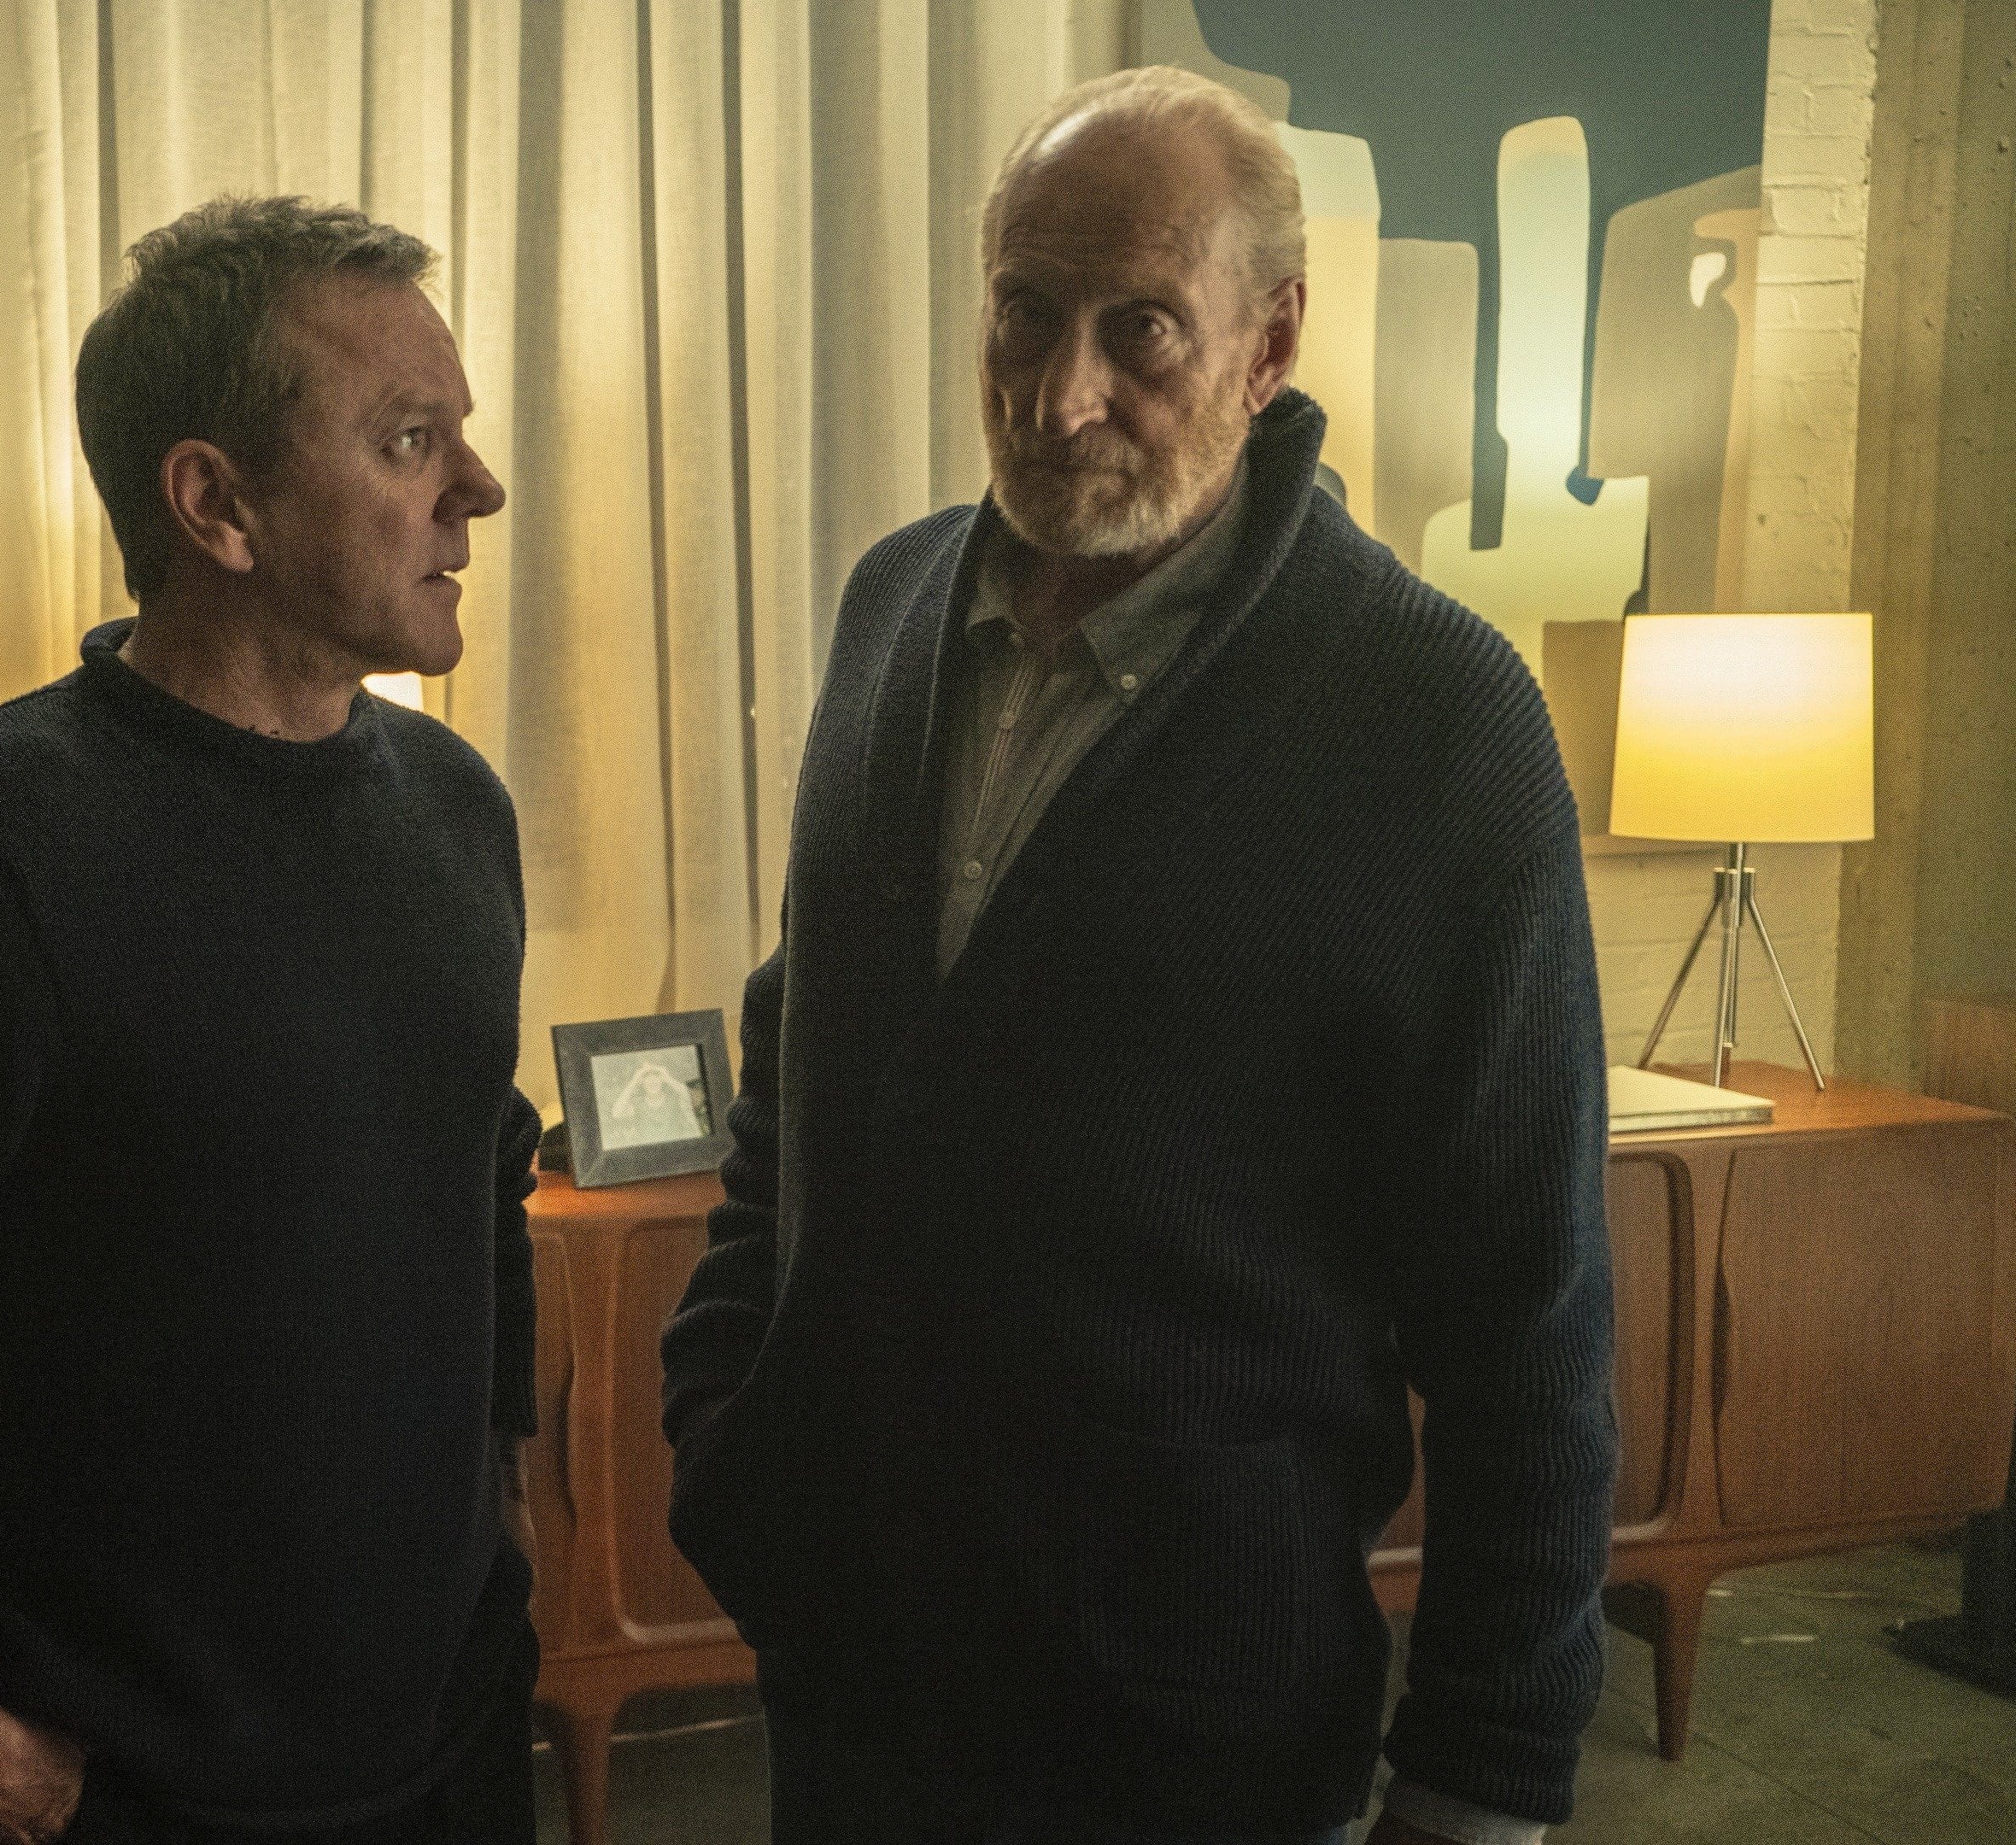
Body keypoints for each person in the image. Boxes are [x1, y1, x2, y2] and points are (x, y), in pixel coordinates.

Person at [659, 66, 1617, 1845]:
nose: (1059, 393)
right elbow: (804, 1049)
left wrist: (1487, 1775)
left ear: (1270, 346)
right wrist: (730, 1415)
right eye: (1025, 312)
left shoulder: (1434, 721)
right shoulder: (893, 607)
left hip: (1192, 1727)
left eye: (1142, 330)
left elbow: (1528, 1316)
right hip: (854, 1675)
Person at [0, 196, 540, 1845]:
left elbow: (481, 1162)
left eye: (459, 433)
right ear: (216, 505)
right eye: (409, 440)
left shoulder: (456, 809)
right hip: (127, 1799)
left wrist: (506, 1519)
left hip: (449, 1756)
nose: (476, 489)